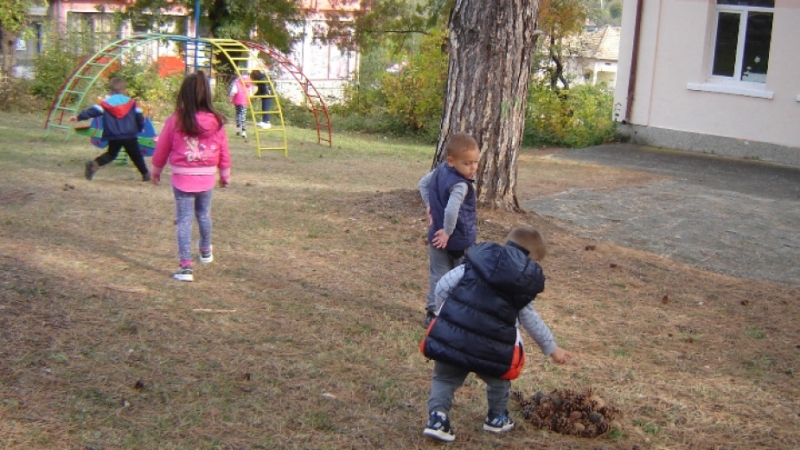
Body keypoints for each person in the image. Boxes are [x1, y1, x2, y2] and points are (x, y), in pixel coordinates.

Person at [420, 226, 573, 442]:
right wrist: (551, 348)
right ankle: (496, 417)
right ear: (531, 260)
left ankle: (437, 419)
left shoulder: (475, 261)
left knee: (444, 378)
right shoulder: (520, 283)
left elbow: (443, 285)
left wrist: (443, 312)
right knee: (500, 381)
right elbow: (529, 317)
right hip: (493, 349)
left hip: (455, 339)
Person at [150, 70, 232, 282]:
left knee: (184, 220)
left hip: (182, 179)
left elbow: (162, 148)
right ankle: (205, 250)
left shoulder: (175, 120)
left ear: (183, 95)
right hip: (206, 178)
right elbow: (223, 150)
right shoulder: (217, 121)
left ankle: (185, 266)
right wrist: (224, 175)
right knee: (204, 214)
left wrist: (156, 170)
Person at [418, 132, 480, 328]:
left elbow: (423, 184)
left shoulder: (440, 170)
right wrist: (447, 231)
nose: (473, 168)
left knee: (438, 274)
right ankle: (455, 313)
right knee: (461, 276)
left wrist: (429, 205)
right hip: (458, 240)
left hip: (434, 235)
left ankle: (433, 313)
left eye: (475, 162)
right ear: (451, 161)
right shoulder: (460, 184)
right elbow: (451, 210)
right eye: (467, 163)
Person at [70, 77, 150, 182]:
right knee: (136, 155)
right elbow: (139, 117)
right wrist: (140, 128)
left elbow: (92, 111)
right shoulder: (132, 103)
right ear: (125, 91)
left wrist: (79, 117)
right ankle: (146, 174)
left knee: (111, 154)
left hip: (113, 134)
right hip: (129, 135)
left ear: (111, 91)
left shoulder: (105, 103)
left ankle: (95, 164)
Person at [228, 72, 251, 139]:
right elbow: (250, 92)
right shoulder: (248, 83)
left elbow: (233, 91)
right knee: (243, 115)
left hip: (237, 100)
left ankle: (238, 129)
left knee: (238, 114)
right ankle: (243, 131)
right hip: (244, 101)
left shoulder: (237, 82)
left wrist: (230, 98)